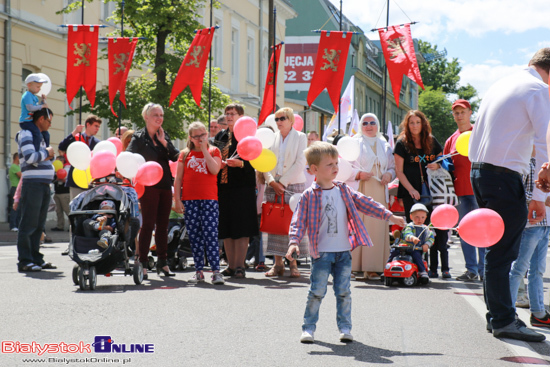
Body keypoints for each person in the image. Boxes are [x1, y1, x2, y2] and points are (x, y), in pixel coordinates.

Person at [286, 142, 405, 343]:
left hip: (343, 252)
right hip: (321, 253)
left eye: (336, 163)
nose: (335, 168)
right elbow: (298, 221)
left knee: (343, 292)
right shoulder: (309, 195)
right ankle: (308, 329)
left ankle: (345, 328)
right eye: (329, 164)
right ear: (314, 169)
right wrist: (294, 242)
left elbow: (367, 203)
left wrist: (389, 216)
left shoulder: (343, 190)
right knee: (316, 292)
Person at [469, 48, 550, 342]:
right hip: (503, 176)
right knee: (503, 253)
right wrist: (539, 197)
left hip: (480, 171)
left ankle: (498, 316)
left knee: (496, 251)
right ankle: (504, 319)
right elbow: (546, 139)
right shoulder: (538, 89)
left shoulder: (502, 83)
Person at [393, 110, 450, 279]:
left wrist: (439, 166)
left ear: (423, 124)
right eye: (411, 123)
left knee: (433, 227)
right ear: (407, 125)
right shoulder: (402, 144)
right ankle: (418, 265)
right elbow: (399, 171)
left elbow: (445, 162)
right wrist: (411, 189)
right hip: (412, 193)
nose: (415, 126)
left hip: (433, 191)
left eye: (418, 122)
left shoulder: (431, 141)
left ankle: (435, 268)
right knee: (416, 229)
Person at [127, 103, 179, 279]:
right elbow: (129, 156)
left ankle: (162, 262)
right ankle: (142, 262)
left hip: (165, 185)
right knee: (148, 225)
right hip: (148, 187)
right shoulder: (139, 137)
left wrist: (165, 143)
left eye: (161, 115)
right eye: (155, 114)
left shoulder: (163, 135)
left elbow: (177, 157)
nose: (159, 118)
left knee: (163, 226)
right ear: (146, 117)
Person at [174, 121, 224, 285]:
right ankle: (198, 270)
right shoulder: (185, 154)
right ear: (191, 138)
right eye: (197, 136)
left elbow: (214, 170)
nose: (201, 138)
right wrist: (177, 199)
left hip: (209, 199)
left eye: (203, 134)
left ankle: (216, 271)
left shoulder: (214, 150)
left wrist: (204, 150)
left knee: (210, 234)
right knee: (194, 236)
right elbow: (178, 178)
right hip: (190, 200)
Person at [214, 103, 259, 278]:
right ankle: (231, 266)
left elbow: (257, 162)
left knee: (241, 228)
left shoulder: (249, 136)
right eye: (227, 113)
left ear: (241, 116)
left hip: (243, 187)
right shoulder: (221, 135)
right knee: (226, 228)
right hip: (223, 187)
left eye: (232, 113)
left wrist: (241, 164)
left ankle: (240, 266)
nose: (229, 116)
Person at [263, 107, 308, 278]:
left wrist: (282, 182)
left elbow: (301, 162)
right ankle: (277, 264)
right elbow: (264, 161)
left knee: (293, 223)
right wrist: (271, 181)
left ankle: (293, 263)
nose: (279, 122)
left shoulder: (300, 137)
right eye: (277, 119)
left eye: (282, 118)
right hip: (273, 183)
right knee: (275, 222)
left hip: (293, 184)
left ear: (290, 120)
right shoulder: (271, 137)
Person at [444, 99, 485, 282]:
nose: (459, 116)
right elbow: (446, 162)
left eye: (462, 112)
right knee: (465, 231)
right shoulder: (451, 140)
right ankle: (471, 270)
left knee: (482, 230)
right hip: (459, 192)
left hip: (479, 190)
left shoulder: (479, 133)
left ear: (470, 113)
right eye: (456, 113)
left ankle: (485, 270)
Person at [351, 113, 395, 280]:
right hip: (361, 187)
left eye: (372, 123)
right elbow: (344, 166)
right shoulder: (354, 143)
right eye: (365, 123)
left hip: (379, 188)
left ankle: (374, 267)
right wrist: (358, 174)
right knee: (358, 224)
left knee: (376, 226)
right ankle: (354, 266)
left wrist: (389, 176)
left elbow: (392, 167)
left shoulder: (385, 145)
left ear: (377, 125)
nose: (368, 126)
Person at [510, 152, 550, 328]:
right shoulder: (527, 162)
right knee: (519, 268)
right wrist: (543, 200)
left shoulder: (545, 164)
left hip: (545, 223)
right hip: (530, 223)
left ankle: (538, 312)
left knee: (538, 271)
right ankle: (508, 313)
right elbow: (521, 193)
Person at [15, 108, 57, 272]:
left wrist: (48, 154)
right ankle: (25, 260)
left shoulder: (40, 136)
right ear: (40, 119)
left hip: (43, 184)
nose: (50, 124)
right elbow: (31, 158)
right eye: (49, 121)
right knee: (29, 223)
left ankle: (36, 258)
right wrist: (46, 153)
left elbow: (47, 156)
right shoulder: (26, 134)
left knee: (39, 225)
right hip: (33, 184)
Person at [58, 114, 102, 200]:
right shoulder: (76, 138)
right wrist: (74, 132)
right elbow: (62, 147)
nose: (97, 129)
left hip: (90, 181)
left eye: (99, 127)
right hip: (75, 180)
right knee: (75, 208)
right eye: (96, 126)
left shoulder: (97, 143)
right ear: (88, 124)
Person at [388, 203, 433, 279]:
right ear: (411, 217)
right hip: (404, 248)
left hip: (416, 249)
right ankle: (387, 266)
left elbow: (431, 237)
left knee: (417, 256)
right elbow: (407, 234)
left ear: (425, 218)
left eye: (422, 217)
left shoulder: (425, 229)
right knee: (393, 252)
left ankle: (422, 271)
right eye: (417, 217)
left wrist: (427, 245)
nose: (420, 219)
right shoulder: (409, 226)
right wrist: (412, 238)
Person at [20, 73, 49, 153]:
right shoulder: (27, 95)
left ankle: (46, 150)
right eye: (38, 87)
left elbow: (37, 108)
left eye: (40, 87)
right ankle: (36, 152)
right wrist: (42, 106)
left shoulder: (34, 97)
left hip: (31, 121)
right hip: (26, 122)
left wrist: (42, 102)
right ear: (29, 85)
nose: (39, 89)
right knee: (36, 133)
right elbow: (30, 108)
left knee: (46, 133)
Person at [51, 156, 70, 231]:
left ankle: (71, 226)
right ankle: (60, 226)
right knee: (58, 211)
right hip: (57, 193)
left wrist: (62, 179)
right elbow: (52, 181)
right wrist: (57, 179)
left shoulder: (67, 169)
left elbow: (69, 181)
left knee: (67, 210)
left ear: (62, 161)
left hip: (65, 193)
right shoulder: (55, 170)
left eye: (58, 161)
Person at [8, 153, 21, 232]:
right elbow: (22, 176)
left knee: (19, 208)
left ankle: (17, 224)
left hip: (18, 188)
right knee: (15, 208)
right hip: (15, 188)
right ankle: (13, 225)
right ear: (17, 158)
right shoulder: (14, 167)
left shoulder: (17, 167)